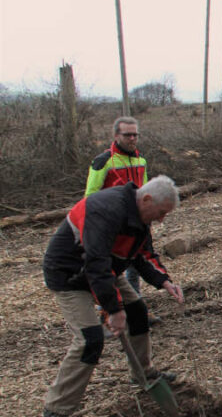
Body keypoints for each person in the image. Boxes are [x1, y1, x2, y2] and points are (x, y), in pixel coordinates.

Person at [42, 176, 184, 417]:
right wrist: (114, 310)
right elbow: (95, 263)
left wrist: (163, 281)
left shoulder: (138, 214)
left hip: (105, 271)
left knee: (137, 311)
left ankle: (143, 372)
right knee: (90, 339)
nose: (161, 219)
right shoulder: (105, 210)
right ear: (147, 199)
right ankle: (57, 409)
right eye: (161, 213)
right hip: (70, 275)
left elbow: (141, 254)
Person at [84, 117, 159, 324]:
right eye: (127, 134)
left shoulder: (140, 160)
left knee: (136, 266)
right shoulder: (103, 161)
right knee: (108, 268)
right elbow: (91, 196)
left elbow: (144, 191)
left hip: (136, 225)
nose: (132, 138)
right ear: (116, 135)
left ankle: (137, 310)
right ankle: (106, 313)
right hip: (110, 227)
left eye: (135, 134)